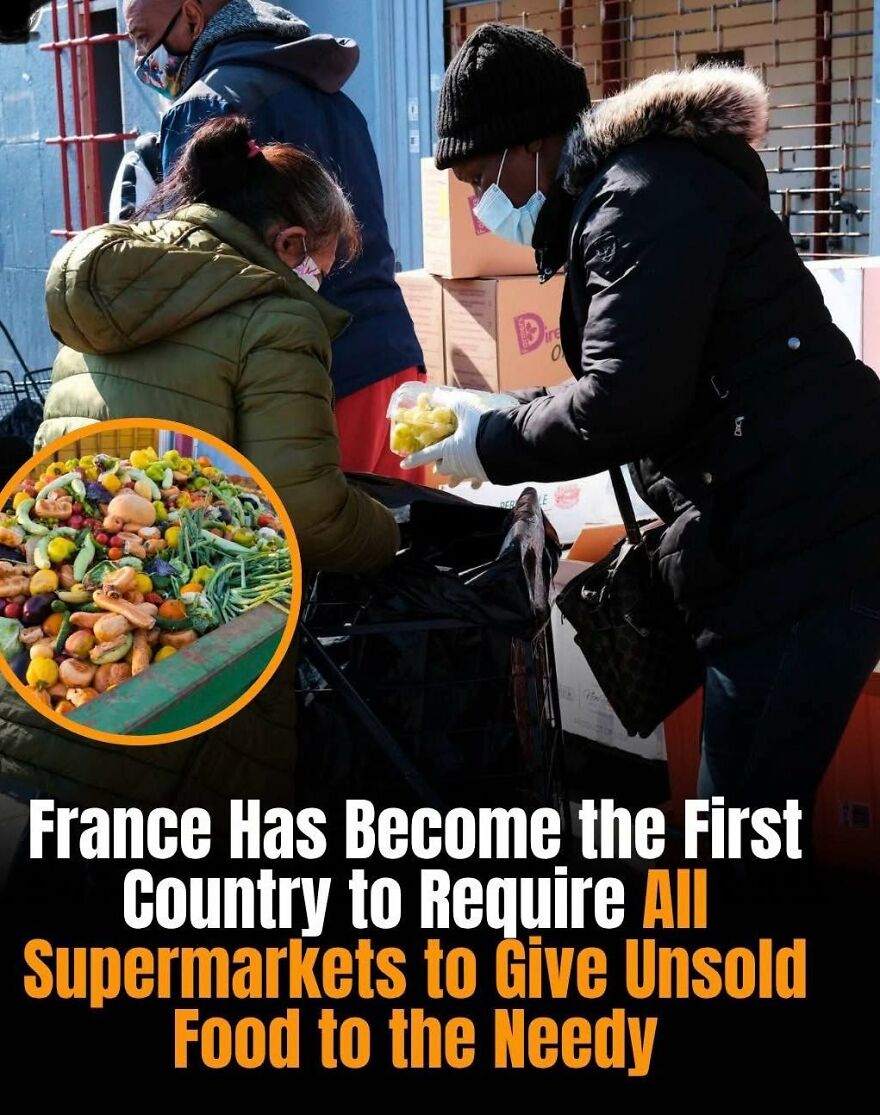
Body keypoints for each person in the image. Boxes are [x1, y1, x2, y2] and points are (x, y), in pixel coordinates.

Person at [411, 24, 880, 823]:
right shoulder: (638, 190)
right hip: (785, 524)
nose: (478, 204)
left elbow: (624, 403)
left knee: (740, 834)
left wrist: (489, 442)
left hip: (804, 544)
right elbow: (641, 374)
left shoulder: (636, 198)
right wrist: (499, 411)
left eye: (479, 175)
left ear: (530, 144)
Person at [0, 116, 399, 814]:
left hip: (43, 667)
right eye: (321, 266)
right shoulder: (275, 319)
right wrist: (391, 531)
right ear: (290, 244)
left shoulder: (113, 291)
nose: (319, 285)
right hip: (171, 686)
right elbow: (304, 513)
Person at [123, 0, 425, 480]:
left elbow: (194, 266)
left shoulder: (207, 105)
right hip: (392, 361)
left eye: (142, 38)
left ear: (192, 17)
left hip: (308, 388)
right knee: (403, 524)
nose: (140, 58)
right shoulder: (331, 94)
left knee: (310, 528)